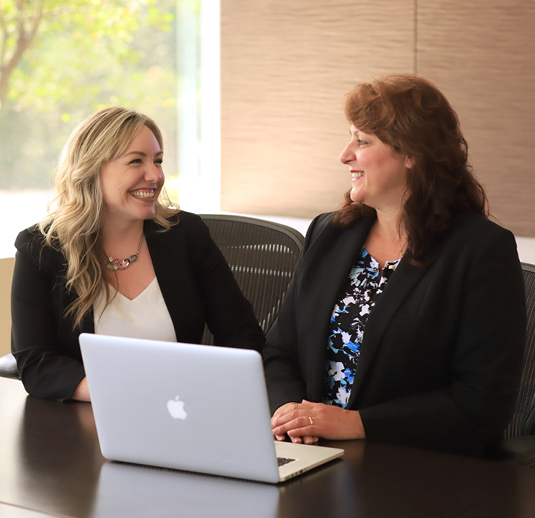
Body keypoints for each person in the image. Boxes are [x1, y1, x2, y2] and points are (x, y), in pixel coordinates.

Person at [264, 74, 526, 456]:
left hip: (412, 465)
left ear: (411, 154)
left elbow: (480, 402)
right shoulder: (329, 232)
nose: (344, 154)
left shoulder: (481, 251)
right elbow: (281, 352)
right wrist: (291, 413)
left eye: (362, 141)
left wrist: (356, 424)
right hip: (309, 450)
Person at [12, 107, 265, 402]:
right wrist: (122, 393)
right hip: (84, 420)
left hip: (181, 409)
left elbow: (242, 335)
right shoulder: (41, 248)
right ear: (92, 169)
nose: (155, 176)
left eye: (158, 161)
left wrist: (208, 390)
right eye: (136, 161)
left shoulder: (186, 235)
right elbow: (35, 361)